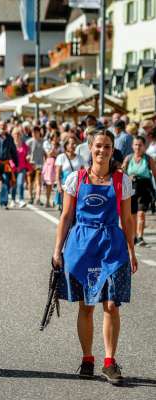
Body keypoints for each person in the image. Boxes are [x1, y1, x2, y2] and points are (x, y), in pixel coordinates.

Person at [53, 128, 137, 386]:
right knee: (86, 305)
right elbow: (66, 216)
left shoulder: (122, 181)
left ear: (113, 151)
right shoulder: (75, 179)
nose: (102, 151)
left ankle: (110, 362)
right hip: (82, 247)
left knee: (111, 304)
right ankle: (87, 358)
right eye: (98, 146)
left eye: (107, 147)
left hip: (112, 246)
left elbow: (127, 218)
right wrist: (57, 250)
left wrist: (132, 251)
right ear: (90, 147)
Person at [122, 136, 156, 246]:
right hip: (131, 188)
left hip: (144, 188)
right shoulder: (128, 158)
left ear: (144, 146)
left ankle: (140, 236)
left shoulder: (148, 159)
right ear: (132, 146)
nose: (137, 147)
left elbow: (155, 175)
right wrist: (128, 176)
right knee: (132, 214)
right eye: (135, 145)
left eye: (140, 145)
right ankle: (134, 236)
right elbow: (122, 173)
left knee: (141, 213)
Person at [55, 137, 85, 210]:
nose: (73, 145)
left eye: (75, 144)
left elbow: (83, 173)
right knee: (65, 209)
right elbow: (57, 174)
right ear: (66, 145)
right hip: (65, 186)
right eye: (72, 144)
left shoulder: (80, 158)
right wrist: (58, 186)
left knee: (75, 208)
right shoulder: (61, 157)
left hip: (77, 186)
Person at [11, 127, 30, 208]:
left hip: (22, 167)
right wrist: (12, 164)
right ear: (13, 135)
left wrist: (28, 157)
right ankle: (13, 200)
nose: (17, 135)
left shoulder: (24, 145)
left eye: (18, 134)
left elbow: (27, 154)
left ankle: (21, 200)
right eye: (15, 134)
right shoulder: (11, 144)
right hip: (13, 168)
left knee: (20, 183)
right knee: (13, 185)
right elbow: (9, 156)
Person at [42, 133, 61, 208]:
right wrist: (53, 148)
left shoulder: (61, 145)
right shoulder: (48, 144)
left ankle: (56, 201)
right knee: (49, 184)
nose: (56, 139)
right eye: (54, 137)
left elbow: (60, 154)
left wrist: (54, 153)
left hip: (58, 164)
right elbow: (49, 154)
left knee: (58, 183)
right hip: (50, 164)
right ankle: (47, 200)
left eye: (57, 137)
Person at [26, 125, 44, 205]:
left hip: (39, 165)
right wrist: (27, 157)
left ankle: (37, 198)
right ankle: (30, 197)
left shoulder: (43, 141)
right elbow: (25, 153)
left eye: (35, 132)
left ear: (39, 132)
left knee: (38, 182)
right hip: (30, 164)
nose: (34, 133)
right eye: (33, 132)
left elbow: (45, 153)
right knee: (30, 182)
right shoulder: (28, 142)